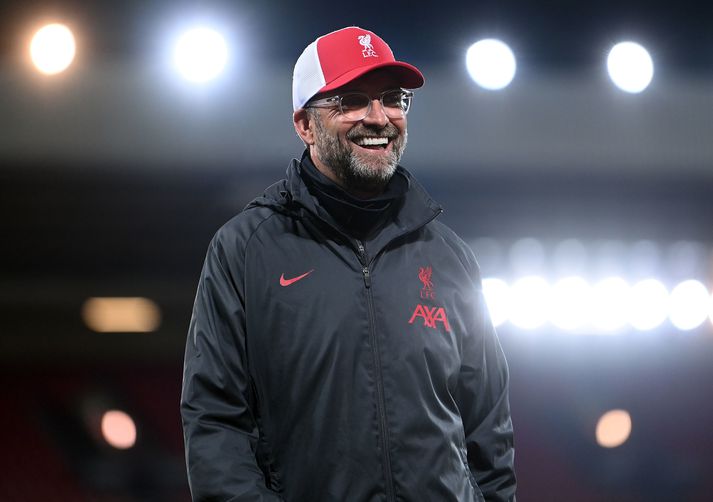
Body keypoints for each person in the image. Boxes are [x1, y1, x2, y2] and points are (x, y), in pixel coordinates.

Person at [181, 26, 516, 502]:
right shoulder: (245, 250)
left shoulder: (449, 256)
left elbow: (489, 426)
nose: (378, 118)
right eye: (352, 100)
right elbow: (215, 421)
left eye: (393, 99)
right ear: (304, 123)